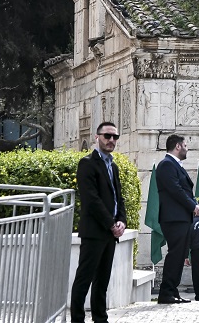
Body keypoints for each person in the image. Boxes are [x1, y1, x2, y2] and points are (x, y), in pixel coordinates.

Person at [70, 122, 127, 323]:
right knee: (84, 278)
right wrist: (111, 224)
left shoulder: (114, 165)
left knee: (102, 280)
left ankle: (100, 318)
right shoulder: (87, 163)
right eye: (107, 136)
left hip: (110, 234)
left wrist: (122, 221)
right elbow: (91, 199)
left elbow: (119, 198)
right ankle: (77, 319)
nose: (111, 140)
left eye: (115, 137)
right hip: (94, 231)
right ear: (97, 137)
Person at [156, 134, 199, 304]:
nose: (187, 148)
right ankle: (166, 292)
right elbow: (176, 190)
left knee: (179, 254)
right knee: (176, 254)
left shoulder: (174, 165)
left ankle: (171, 291)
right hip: (174, 218)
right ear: (177, 146)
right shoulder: (167, 165)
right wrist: (193, 205)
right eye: (185, 145)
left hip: (180, 218)